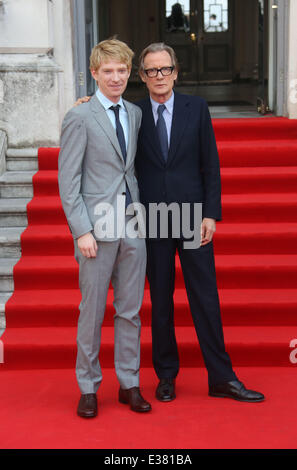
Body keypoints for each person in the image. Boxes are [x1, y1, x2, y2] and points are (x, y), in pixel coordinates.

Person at [135, 42, 265, 403]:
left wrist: (210, 213)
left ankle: (221, 377)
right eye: (151, 70)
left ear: (176, 72)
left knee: (205, 298)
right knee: (160, 301)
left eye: (165, 69)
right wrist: (85, 103)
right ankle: (166, 376)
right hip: (154, 219)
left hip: (193, 217)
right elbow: (105, 119)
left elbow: (211, 164)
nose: (159, 76)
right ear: (142, 76)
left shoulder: (197, 108)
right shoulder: (134, 113)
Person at [58, 38, 151, 418]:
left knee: (130, 311)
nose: (115, 77)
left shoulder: (134, 112)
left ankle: (129, 383)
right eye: (107, 71)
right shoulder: (79, 116)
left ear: (130, 73)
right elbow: (68, 180)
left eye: (122, 70)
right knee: (92, 311)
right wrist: (81, 230)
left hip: (133, 223)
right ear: (94, 73)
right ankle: (88, 387)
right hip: (95, 229)